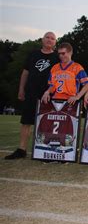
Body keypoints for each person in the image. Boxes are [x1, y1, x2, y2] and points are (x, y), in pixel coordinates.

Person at [5, 32, 59, 160]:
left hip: (48, 95)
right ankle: (21, 149)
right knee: (26, 121)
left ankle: (45, 149)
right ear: (42, 39)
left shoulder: (57, 57)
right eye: (47, 37)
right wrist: (21, 89)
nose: (49, 40)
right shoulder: (33, 54)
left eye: (52, 38)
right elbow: (25, 73)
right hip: (31, 93)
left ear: (55, 42)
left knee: (47, 122)